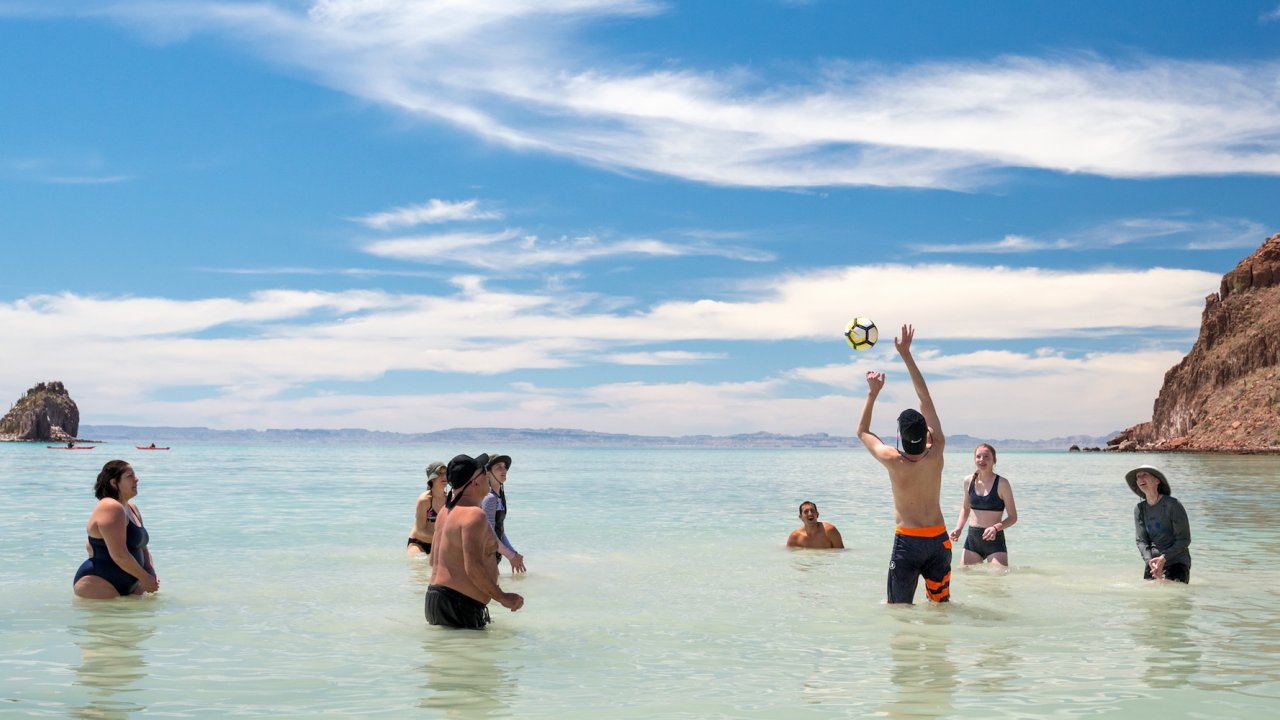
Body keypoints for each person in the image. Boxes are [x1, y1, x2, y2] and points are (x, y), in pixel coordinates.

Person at [856, 323, 951, 604]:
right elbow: (925, 399)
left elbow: (862, 431)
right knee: (940, 609)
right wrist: (906, 355)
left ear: (899, 437)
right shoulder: (937, 450)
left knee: (898, 610)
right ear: (927, 434)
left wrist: (872, 393)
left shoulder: (893, 460)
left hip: (908, 543)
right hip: (939, 541)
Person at [426, 453, 523, 629]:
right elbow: (473, 568)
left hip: (435, 601)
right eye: (483, 472)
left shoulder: (444, 513)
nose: (487, 475)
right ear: (475, 482)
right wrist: (503, 598)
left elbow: (432, 561)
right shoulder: (474, 514)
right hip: (459, 605)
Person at [73, 460, 159, 598]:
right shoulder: (110, 506)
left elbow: (143, 547)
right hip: (100, 582)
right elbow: (119, 554)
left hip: (132, 582)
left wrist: (150, 573)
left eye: (134, 475)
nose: (136, 479)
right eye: (129, 476)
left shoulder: (132, 508)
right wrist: (145, 578)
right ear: (114, 483)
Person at [949, 443, 1018, 567]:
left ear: (994, 460)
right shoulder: (968, 481)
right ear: (974, 459)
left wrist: (995, 528)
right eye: (978, 456)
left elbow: (1013, 517)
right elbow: (965, 508)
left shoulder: (1002, 483)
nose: (982, 460)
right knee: (968, 581)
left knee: (997, 581)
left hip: (994, 540)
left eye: (986, 457)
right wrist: (959, 528)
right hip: (972, 540)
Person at [1126, 465, 1192, 583]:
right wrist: (1149, 561)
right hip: (1153, 563)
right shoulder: (1139, 509)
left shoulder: (1173, 504)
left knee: (1171, 596)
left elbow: (1184, 540)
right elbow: (1141, 540)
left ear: (1157, 481)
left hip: (1177, 562)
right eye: (1138, 476)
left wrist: (1163, 558)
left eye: (1145, 474)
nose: (1140, 479)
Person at [481, 453, 526, 573]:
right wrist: (511, 556)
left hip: (493, 555)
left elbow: (499, 529)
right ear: (488, 473)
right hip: (484, 557)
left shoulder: (499, 496)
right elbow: (489, 533)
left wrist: (513, 552)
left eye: (504, 466)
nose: (504, 469)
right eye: (498, 467)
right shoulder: (489, 498)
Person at [407, 460, 447, 556]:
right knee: (420, 563)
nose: (444, 476)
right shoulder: (424, 500)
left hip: (439, 543)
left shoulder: (450, 499)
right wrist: (444, 538)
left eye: (446, 473)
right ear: (432, 479)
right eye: (440, 474)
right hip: (419, 543)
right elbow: (419, 532)